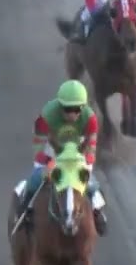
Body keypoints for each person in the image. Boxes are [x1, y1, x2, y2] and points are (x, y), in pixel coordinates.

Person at [14, 79, 108, 235]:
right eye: (67, 109)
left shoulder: (90, 118)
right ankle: (25, 210)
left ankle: (98, 212)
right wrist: (43, 158)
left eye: (76, 110)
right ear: (59, 106)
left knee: (90, 183)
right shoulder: (47, 115)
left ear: (83, 107)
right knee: (37, 179)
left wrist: (88, 159)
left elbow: (91, 142)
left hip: (78, 152)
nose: (72, 114)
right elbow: (38, 139)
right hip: (53, 151)